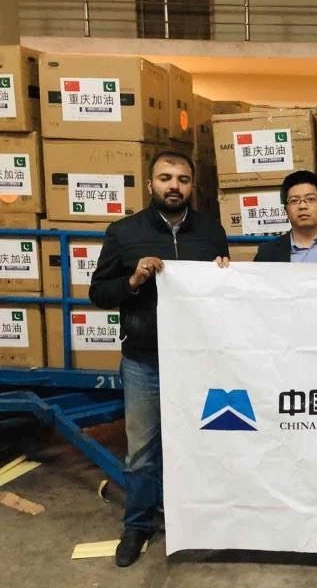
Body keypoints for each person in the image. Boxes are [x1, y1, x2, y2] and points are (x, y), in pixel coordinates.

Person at [89, 150, 230, 567]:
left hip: (199, 360)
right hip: (145, 361)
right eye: (166, 178)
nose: (174, 186)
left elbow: (222, 293)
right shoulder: (123, 232)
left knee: (204, 443)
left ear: (192, 186)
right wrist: (132, 280)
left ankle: (203, 521)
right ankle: (137, 525)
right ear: (150, 183)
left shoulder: (211, 231)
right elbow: (99, 293)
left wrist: (224, 274)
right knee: (142, 452)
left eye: (183, 179)